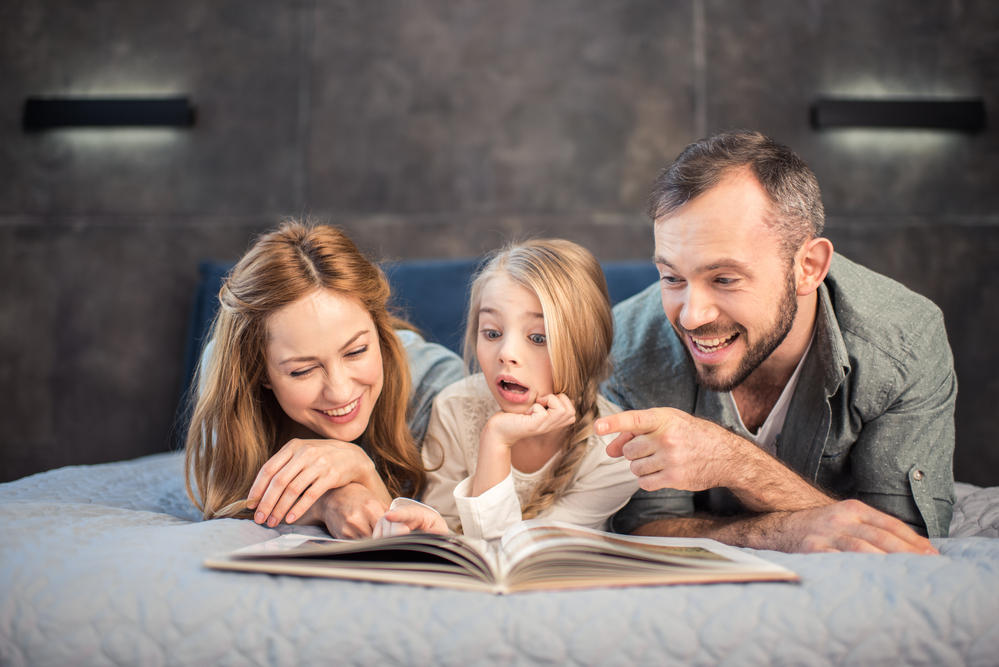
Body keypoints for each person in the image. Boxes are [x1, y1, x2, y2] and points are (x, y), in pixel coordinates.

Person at [597, 129, 956, 554]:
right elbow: (645, 528)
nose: (691, 316)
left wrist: (733, 461)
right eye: (672, 278)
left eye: (724, 279)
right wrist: (782, 532)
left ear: (808, 267)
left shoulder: (904, 341)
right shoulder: (629, 348)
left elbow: (900, 545)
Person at [183, 220, 463, 538]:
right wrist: (326, 501)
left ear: (381, 330)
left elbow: (439, 542)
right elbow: (223, 494)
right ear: (259, 372)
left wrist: (362, 471)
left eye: (356, 351)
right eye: (302, 370)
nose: (340, 391)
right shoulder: (225, 370)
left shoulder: (437, 384)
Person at [381, 239, 640, 541]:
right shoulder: (454, 407)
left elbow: (515, 552)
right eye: (492, 333)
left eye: (538, 338)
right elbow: (446, 530)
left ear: (585, 348)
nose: (506, 353)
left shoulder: (615, 451)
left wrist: (496, 440)